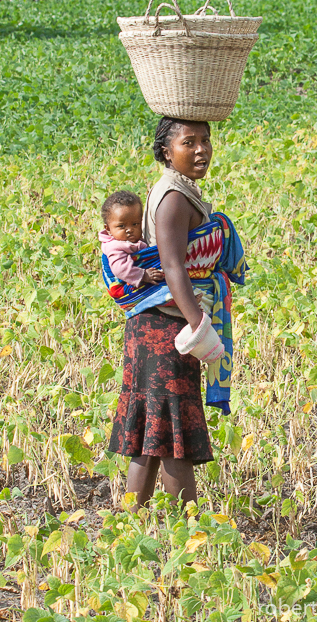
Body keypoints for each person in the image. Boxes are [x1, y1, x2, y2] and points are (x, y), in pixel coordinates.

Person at [108, 117, 242, 510]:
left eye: (206, 141)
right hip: (166, 327)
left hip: (158, 325)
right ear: (168, 151)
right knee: (172, 437)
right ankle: (187, 533)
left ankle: (129, 525)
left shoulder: (181, 191)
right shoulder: (173, 199)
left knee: (153, 434)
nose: (201, 150)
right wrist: (200, 326)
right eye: (189, 142)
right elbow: (173, 268)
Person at [99, 190, 164, 287]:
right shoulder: (115, 247)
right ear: (108, 229)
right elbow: (119, 269)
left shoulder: (135, 240)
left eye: (135, 224)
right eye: (121, 226)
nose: (129, 230)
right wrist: (143, 275)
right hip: (130, 286)